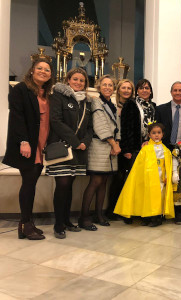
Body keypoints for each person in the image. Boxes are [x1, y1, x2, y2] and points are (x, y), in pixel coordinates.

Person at [3, 58, 54, 240]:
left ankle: (27, 223)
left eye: (47, 70)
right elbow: (17, 116)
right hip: (29, 143)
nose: (43, 71)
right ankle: (26, 223)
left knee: (31, 183)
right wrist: (23, 141)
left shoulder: (47, 93)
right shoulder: (21, 89)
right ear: (32, 71)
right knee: (29, 183)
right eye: (39, 68)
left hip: (42, 143)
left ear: (50, 75)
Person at [46, 68, 93, 239]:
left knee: (70, 184)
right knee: (62, 185)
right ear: (68, 80)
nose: (78, 83)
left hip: (79, 150)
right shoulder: (58, 96)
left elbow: (89, 127)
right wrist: (75, 141)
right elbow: (55, 121)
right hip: (62, 148)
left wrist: (84, 143)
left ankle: (66, 220)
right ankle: (58, 224)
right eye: (75, 79)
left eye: (82, 80)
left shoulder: (87, 102)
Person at [114, 122, 176, 227]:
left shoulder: (165, 150)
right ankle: (147, 216)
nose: (156, 135)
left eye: (159, 133)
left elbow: (167, 164)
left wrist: (166, 176)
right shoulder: (145, 149)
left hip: (160, 177)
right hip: (149, 177)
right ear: (149, 135)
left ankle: (157, 218)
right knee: (147, 196)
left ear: (162, 134)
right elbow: (139, 165)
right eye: (153, 133)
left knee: (159, 197)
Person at [79, 75, 121, 230]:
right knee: (95, 182)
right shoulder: (96, 102)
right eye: (105, 85)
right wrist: (112, 143)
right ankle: (84, 217)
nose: (108, 87)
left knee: (103, 182)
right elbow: (100, 125)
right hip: (99, 145)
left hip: (110, 147)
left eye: (111, 85)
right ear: (99, 87)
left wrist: (117, 143)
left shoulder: (111, 104)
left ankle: (99, 214)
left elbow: (117, 126)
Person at [105, 79, 135, 220]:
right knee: (116, 180)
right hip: (113, 147)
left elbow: (131, 130)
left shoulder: (134, 106)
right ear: (118, 89)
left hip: (127, 148)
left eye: (129, 88)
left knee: (126, 180)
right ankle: (111, 210)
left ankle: (123, 210)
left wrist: (127, 148)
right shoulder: (112, 105)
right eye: (124, 87)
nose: (126, 90)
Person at [120, 79, 156, 160]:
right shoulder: (130, 104)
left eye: (147, 88)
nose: (144, 90)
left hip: (151, 146)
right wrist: (126, 149)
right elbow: (124, 128)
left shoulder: (154, 106)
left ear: (150, 91)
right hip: (134, 149)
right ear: (137, 91)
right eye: (141, 88)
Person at [155, 81, 181, 150]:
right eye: (175, 90)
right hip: (163, 148)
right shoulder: (160, 109)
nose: (177, 93)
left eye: (180, 90)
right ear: (171, 92)